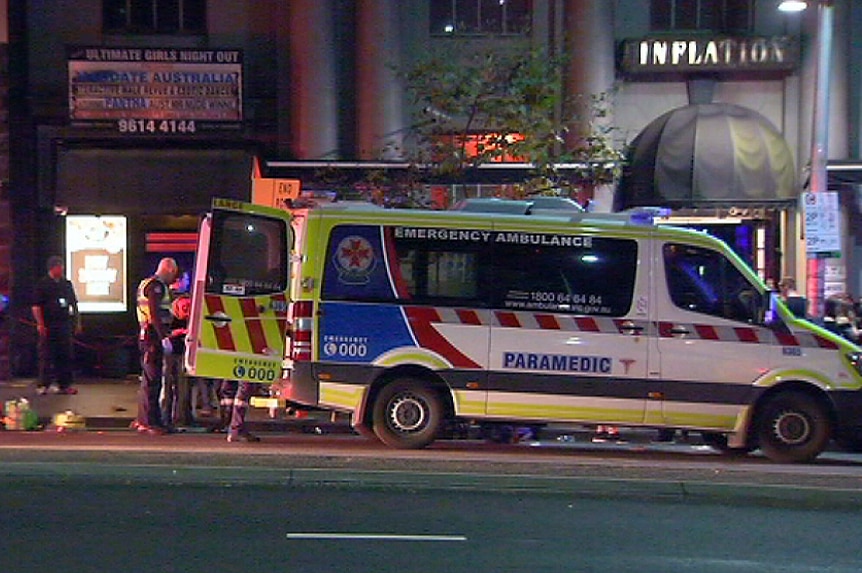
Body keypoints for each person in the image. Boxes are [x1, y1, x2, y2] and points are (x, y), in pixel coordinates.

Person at [134, 257, 179, 435]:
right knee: (151, 381)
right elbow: (154, 313)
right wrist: (163, 338)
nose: (174, 279)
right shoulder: (156, 286)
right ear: (168, 269)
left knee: (152, 380)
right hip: (152, 337)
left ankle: (151, 420)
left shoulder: (147, 282)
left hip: (149, 335)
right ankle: (147, 422)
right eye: (173, 274)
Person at [32, 255, 82, 395]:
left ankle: (64, 384)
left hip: (64, 324)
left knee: (65, 355)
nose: (62, 269)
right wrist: (40, 324)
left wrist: (77, 322)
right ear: (53, 268)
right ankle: (44, 384)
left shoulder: (66, 284)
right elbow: (36, 306)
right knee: (46, 355)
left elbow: (74, 304)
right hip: (48, 324)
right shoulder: (42, 284)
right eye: (60, 267)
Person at [160, 292, 193, 430]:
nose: (185, 311)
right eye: (183, 308)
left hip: (183, 354)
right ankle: (164, 418)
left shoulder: (192, 317)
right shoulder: (167, 315)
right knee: (166, 387)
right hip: (168, 353)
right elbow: (162, 331)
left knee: (183, 388)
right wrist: (175, 333)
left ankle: (180, 418)